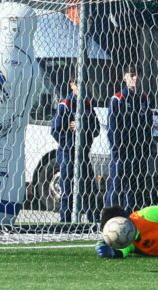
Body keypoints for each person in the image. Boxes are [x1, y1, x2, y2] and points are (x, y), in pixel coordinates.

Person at [104, 64, 153, 212]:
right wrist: (118, 152)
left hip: (138, 154)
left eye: (137, 74)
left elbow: (148, 127)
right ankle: (108, 221)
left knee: (134, 190)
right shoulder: (117, 100)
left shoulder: (144, 99)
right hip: (122, 154)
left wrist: (145, 150)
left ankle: (129, 222)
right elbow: (112, 130)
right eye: (131, 74)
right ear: (124, 77)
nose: (135, 78)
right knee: (116, 188)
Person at [51, 77, 99, 222]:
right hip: (68, 154)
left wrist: (82, 127)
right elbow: (55, 130)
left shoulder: (87, 105)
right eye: (78, 84)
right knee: (68, 189)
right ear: (72, 84)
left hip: (83, 154)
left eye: (85, 84)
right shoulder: (65, 105)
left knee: (90, 189)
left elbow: (96, 128)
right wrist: (69, 142)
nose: (82, 87)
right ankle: (65, 222)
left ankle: (94, 221)